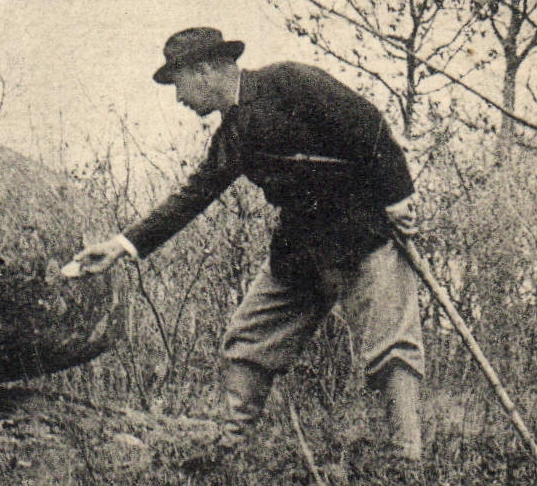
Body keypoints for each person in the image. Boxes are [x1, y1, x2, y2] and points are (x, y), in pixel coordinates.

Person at [71, 28, 425, 462]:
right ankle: (234, 446)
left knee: (392, 347)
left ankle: (407, 457)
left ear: (203, 71)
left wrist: (398, 196)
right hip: (299, 248)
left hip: (363, 234)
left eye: (178, 83)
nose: (179, 98)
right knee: (247, 339)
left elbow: (368, 125)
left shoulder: (291, 83)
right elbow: (192, 197)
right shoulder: (232, 136)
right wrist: (122, 246)